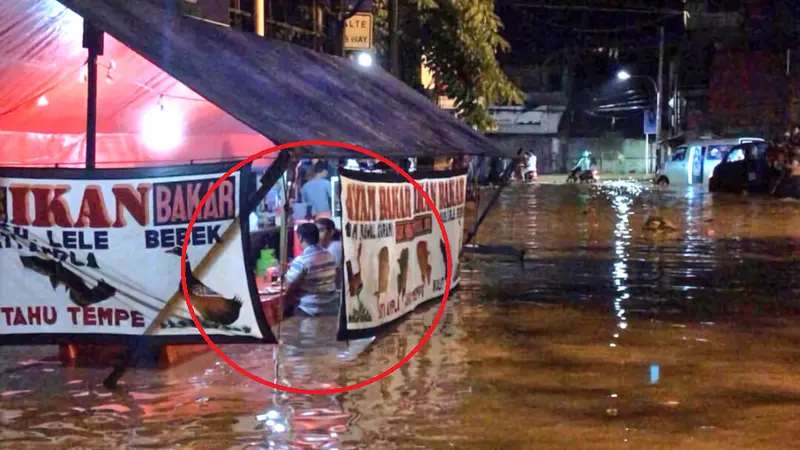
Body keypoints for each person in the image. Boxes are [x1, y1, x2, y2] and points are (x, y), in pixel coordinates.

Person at [283, 223, 338, 317]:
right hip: (332, 307)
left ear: (300, 238)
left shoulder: (301, 261)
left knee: (286, 312)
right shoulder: (329, 255)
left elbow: (286, 288)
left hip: (310, 310)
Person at [315, 217, 343, 291]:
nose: (317, 234)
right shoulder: (325, 247)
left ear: (331, 232)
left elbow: (334, 274)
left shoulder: (335, 247)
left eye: (321, 230)